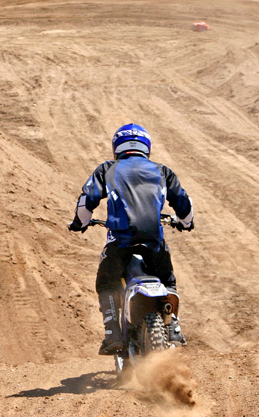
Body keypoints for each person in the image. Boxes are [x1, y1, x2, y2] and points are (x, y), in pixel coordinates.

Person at [68, 123, 194, 355]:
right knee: (168, 281)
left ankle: (112, 333)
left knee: (106, 283)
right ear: (146, 147)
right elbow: (184, 204)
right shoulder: (162, 170)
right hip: (154, 243)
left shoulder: (108, 168)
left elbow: (87, 200)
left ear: (117, 146)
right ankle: (173, 325)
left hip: (120, 243)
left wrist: (79, 223)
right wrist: (185, 223)